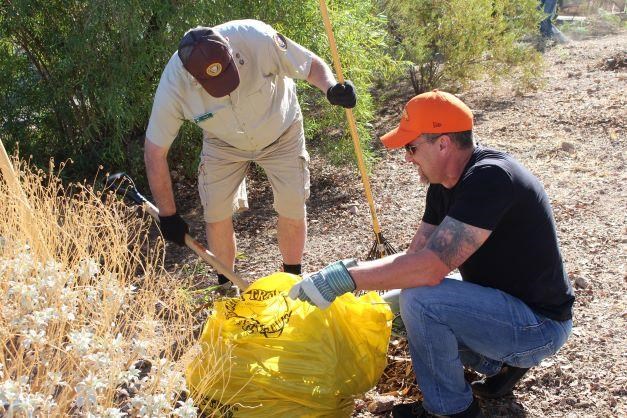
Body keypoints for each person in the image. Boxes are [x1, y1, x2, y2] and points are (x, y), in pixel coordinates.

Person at [289, 90, 575, 418]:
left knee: (421, 302)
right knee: (402, 304)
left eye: (412, 147)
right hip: (504, 308)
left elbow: (428, 270)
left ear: (443, 143)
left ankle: (452, 410)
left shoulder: (491, 178)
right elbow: (414, 258)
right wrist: (365, 298)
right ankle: (496, 365)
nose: (408, 157)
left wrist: (344, 278)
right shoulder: (443, 186)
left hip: (539, 325)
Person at [144, 20, 356, 285]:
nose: (227, 88)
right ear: (192, 77)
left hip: (281, 130)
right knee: (215, 212)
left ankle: (291, 281)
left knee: (292, 203)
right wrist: (168, 214)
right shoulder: (174, 85)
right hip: (223, 143)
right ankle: (227, 285)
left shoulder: (258, 38)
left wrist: (331, 88)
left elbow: (309, 64)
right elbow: (155, 151)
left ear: (230, 51)